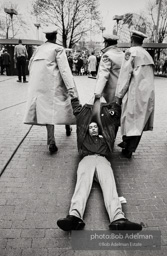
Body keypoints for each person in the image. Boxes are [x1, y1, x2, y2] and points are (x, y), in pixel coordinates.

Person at [57, 95, 142, 231]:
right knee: (81, 186)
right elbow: (78, 111)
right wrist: (74, 96)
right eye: (91, 127)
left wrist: (112, 103)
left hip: (103, 161)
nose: (94, 129)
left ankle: (118, 219)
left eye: (96, 127)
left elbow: (114, 115)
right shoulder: (83, 137)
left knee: (110, 186)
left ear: (99, 128)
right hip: (87, 160)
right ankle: (74, 217)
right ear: (87, 130)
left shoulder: (107, 137)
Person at [24, 26, 78, 154]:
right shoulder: (58, 49)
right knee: (66, 102)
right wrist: (71, 88)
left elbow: (30, 66)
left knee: (47, 112)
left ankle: (51, 141)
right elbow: (64, 70)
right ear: (55, 37)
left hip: (39, 87)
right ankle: (67, 127)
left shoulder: (38, 50)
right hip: (54, 84)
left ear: (46, 37)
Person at [115, 30, 155, 159]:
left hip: (134, 92)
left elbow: (125, 75)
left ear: (131, 40)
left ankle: (127, 145)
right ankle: (130, 148)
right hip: (147, 93)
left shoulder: (131, 52)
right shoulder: (147, 54)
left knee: (128, 118)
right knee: (139, 121)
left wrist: (119, 95)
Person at [94, 33, 124, 103]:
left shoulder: (107, 55)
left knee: (109, 111)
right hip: (121, 91)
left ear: (106, 43)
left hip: (110, 92)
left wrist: (97, 93)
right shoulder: (123, 54)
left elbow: (103, 75)